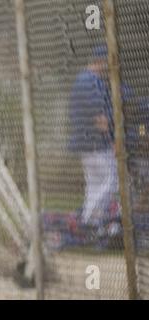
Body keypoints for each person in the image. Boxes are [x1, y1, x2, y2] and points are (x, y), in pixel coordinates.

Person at [68, 45, 118, 228]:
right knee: (111, 181)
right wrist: (114, 140)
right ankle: (89, 220)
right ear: (101, 61)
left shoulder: (84, 79)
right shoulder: (91, 81)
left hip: (86, 143)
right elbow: (101, 119)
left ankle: (91, 223)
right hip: (95, 143)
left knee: (95, 184)